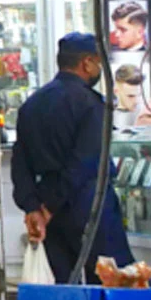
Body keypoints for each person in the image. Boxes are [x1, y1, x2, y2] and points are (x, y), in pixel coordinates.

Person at [12, 33, 134, 284]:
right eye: (99, 63)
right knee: (111, 282)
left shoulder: (32, 104)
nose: (100, 70)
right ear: (86, 63)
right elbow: (86, 162)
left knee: (65, 287)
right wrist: (49, 207)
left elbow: (20, 160)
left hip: (51, 210)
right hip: (88, 205)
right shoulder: (90, 104)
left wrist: (33, 206)